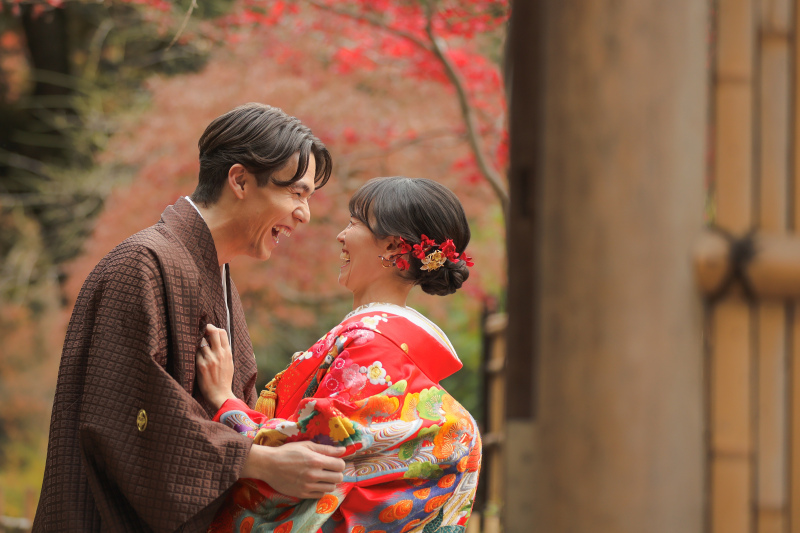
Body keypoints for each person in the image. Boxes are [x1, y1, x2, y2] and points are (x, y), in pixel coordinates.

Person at [33, 103, 347, 532]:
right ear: (239, 180)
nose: (304, 214)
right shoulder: (141, 263)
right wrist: (259, 462)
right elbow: (127, 419)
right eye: (296, 193)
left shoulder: (214, 273)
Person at [196, 176, 482, 532]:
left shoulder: (372, 347)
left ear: (393, 247)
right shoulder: (387, 346)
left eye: (354, 223)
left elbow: (302, 456)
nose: (341, 236)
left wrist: (226, 403)